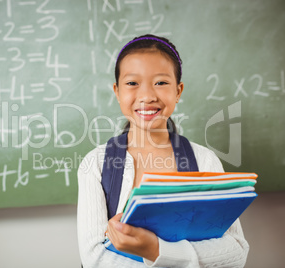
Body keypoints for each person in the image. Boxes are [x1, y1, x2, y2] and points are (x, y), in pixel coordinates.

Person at [77, 34, 249, 267]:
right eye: (132, 83)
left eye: (160, 82)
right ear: (117, 91)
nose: (147, 96)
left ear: (178, 91)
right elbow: (93, 258)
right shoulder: (96, 164)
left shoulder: (204, 160)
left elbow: (236, 252)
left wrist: (155, 249)